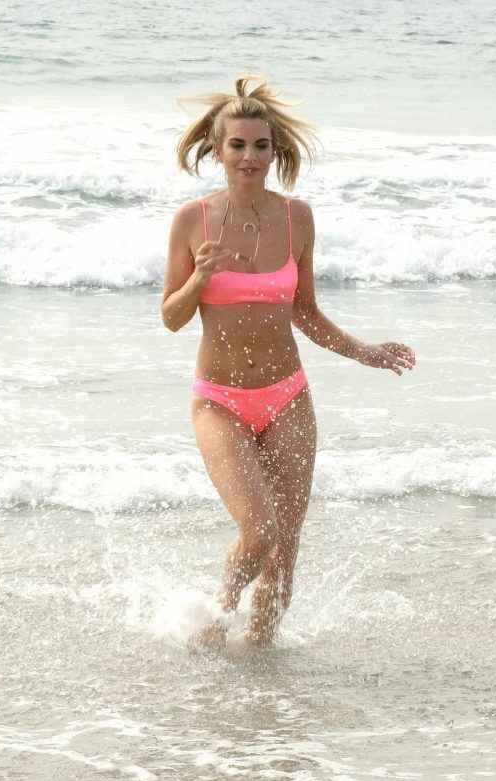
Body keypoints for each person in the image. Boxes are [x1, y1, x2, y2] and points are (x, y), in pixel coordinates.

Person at [161, 76, 415, 649]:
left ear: (275, 151)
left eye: (260, 145)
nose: (249, 157)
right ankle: (215, 622)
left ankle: (263, 660)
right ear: (217, 150)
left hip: (288, 395)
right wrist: (199, 278)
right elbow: (171, 317)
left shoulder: (298, 218)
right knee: (259, 531)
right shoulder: (192, 221)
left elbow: (306, 312)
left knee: (285, 550)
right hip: (220, 400)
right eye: (237, 145)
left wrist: (365, 352)